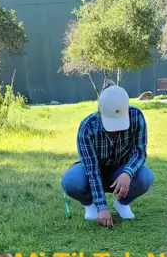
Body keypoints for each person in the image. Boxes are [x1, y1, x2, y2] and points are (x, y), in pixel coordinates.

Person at [61, 83, 154, 228]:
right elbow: (92, 169)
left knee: (145, 177)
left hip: (121, 169)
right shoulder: (87, 127)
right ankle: (91, 205)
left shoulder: (136, 117)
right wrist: (102, 207)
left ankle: (122, 204)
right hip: (94, 171)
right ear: (100, 110)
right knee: (71, 181)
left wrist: (127, 173)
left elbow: (139, 152)